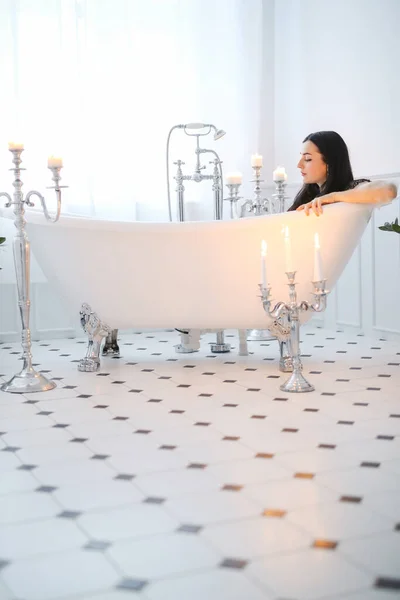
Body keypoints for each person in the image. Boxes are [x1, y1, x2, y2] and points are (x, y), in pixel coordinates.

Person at [288, 131, 397, 216]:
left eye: (307, 159)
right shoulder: (307, 195)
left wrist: (332, 197)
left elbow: (389, 191)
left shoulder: (349, 188)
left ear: (329, 163)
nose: (299, 164)